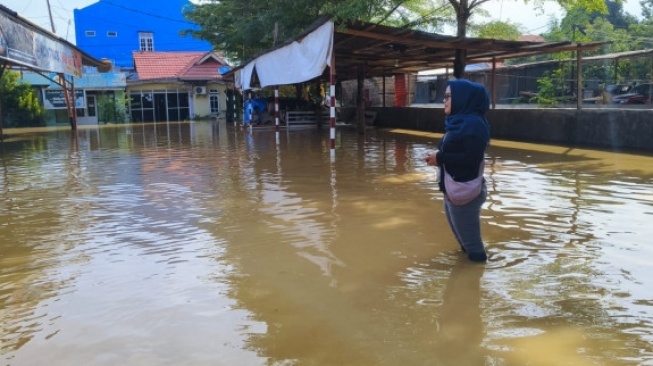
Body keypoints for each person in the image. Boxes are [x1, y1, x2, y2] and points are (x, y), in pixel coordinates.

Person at [424, 79, 491, 262]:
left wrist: (441, 158)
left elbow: (471, 160)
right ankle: (464, 278)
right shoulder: (458, 122)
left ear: (463, 98)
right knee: (464, 243)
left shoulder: (473, 126)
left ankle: (473, 283)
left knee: (474, 250)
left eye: (448, 97)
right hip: (454, 189)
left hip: (465, 193)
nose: (443, 101)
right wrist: (438, 157)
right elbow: (458, 153)